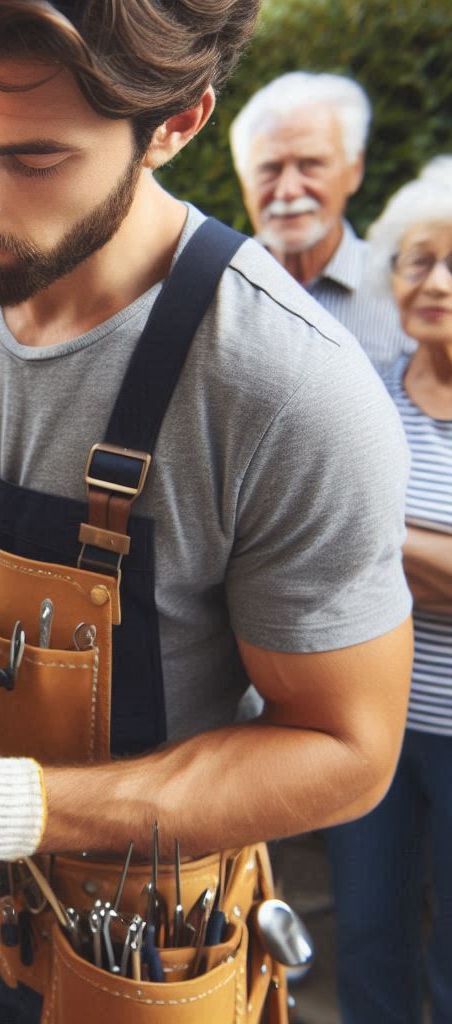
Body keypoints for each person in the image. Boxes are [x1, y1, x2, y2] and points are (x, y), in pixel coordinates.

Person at [0, 4, 414, 1022]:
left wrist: (12, 805)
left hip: (147, 956)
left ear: (175, 124)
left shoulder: (284, 391)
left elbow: (346, 751)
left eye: (32, 157)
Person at [325, 156, 452, 1024]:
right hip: (364, 718)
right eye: (416, 259)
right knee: (367, 932)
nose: (436, 281)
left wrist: (378, 537)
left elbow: (353, 533)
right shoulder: (363, 398)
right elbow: (319, 539)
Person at [230, 71, 410, 371]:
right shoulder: (215, 289)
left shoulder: (404, 295)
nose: (288, 190)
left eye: (311, 165)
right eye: (269, 169)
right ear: (244, 180)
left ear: (354, 171)